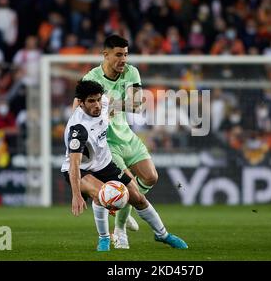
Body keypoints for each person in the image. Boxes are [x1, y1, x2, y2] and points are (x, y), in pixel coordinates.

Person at [62, 80, 188, 251]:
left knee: (138, 198)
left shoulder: (104, 103)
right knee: (101, 195)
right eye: (91, 101)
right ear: (81, 103)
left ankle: (162, 235)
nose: (97, 104)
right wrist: (76, 194)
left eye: (98, 99)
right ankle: (105, 239)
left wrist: (135, 104)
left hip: (104, 163)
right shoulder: (78, 129)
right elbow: (74, 165)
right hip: (81, 169)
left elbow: (123, 105)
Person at [73, 35, 158, 249]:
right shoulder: (91, 78)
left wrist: (109, 102)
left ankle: (122, 208)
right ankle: (119, 230)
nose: (123, 59)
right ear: (106, 54)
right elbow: (76, 107)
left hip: (126, 136)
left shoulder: (132, 72)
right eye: (119, 55)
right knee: (129, 188)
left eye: (126, 55)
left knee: (150, 177)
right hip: (106, 142)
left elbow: (137, 105)